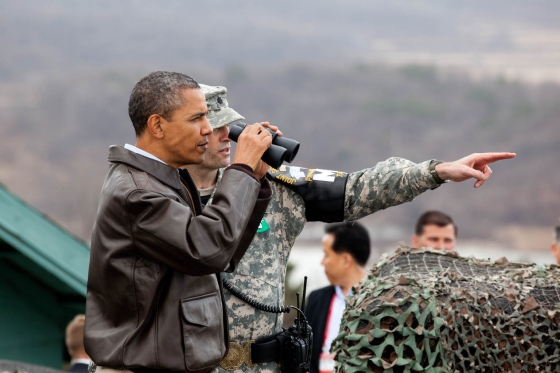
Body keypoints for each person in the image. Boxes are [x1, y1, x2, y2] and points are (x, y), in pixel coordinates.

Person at [184, 84, 516, 373]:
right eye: (215, 127)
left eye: (230, 125)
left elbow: (360, 187)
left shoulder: (276, 188)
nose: (227, 135)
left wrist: (437, 171)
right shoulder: (158, 198)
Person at [84, 71, 274, 373]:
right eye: (197, 118)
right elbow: (207, 249)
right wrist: (241, 170)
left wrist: (255, 179)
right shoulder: (138, 192)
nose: (208, 129)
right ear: (157, 125)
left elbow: (221, 256)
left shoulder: (161, 179)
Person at [304, 222, 371, 373]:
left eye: (326, 254)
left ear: (346, 260)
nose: (322, 262)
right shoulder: (317, 299)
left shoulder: (380, 301)